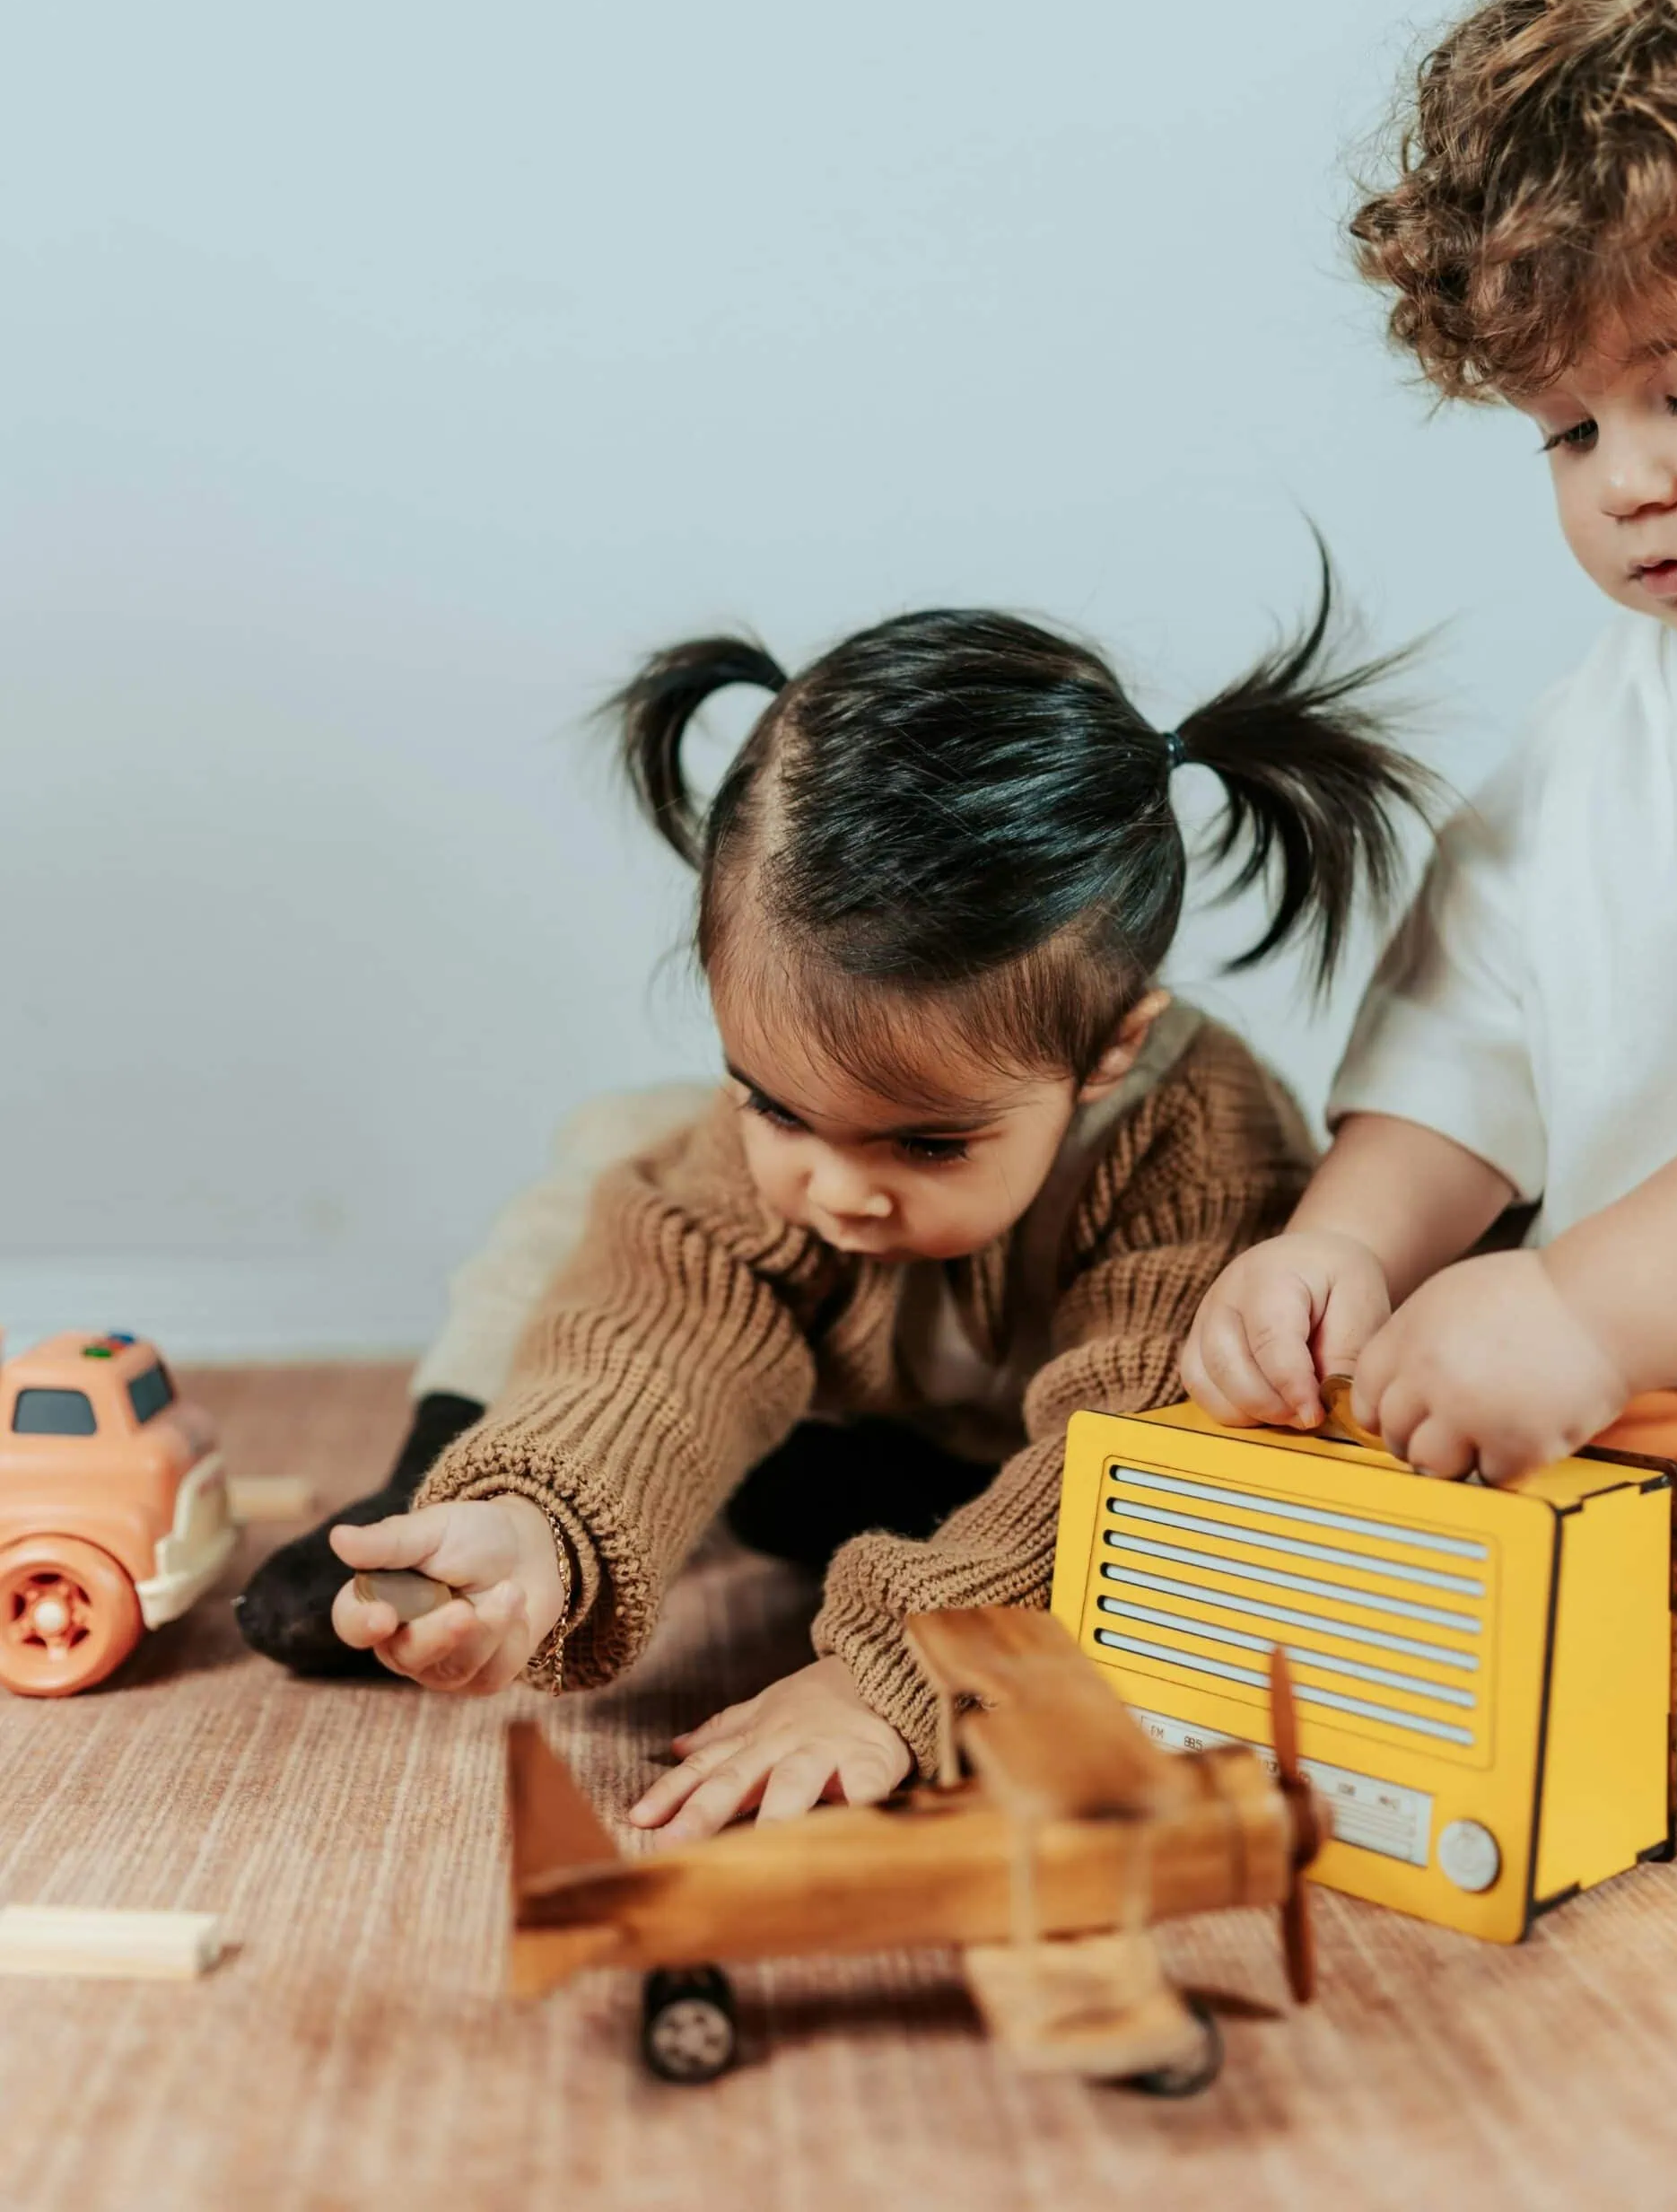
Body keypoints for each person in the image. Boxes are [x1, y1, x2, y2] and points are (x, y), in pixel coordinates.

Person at [241, 579, 1430, 1840]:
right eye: (777, 1105)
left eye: (926, 1141)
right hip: (861, 1402)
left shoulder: (1196, 1145)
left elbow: (1135, 1458)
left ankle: (881, 1524)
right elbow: (666, 1326)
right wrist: (546, 1524)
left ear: (1107, 1056)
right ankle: (456, 1491)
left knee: (1181, 1486)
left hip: (1022, 1440)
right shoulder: (788, 1157)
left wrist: (890, 1673)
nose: (840, 1188)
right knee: (613, 1178)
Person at [1182, 0, 1677, 1654]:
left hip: (1648, 1336)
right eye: (1570, 433)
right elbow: (1473, 1022)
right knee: (1348, 1459)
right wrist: (1346, 1249)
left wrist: (1587, 1308)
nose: (1626, 487)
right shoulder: (1608, 721)